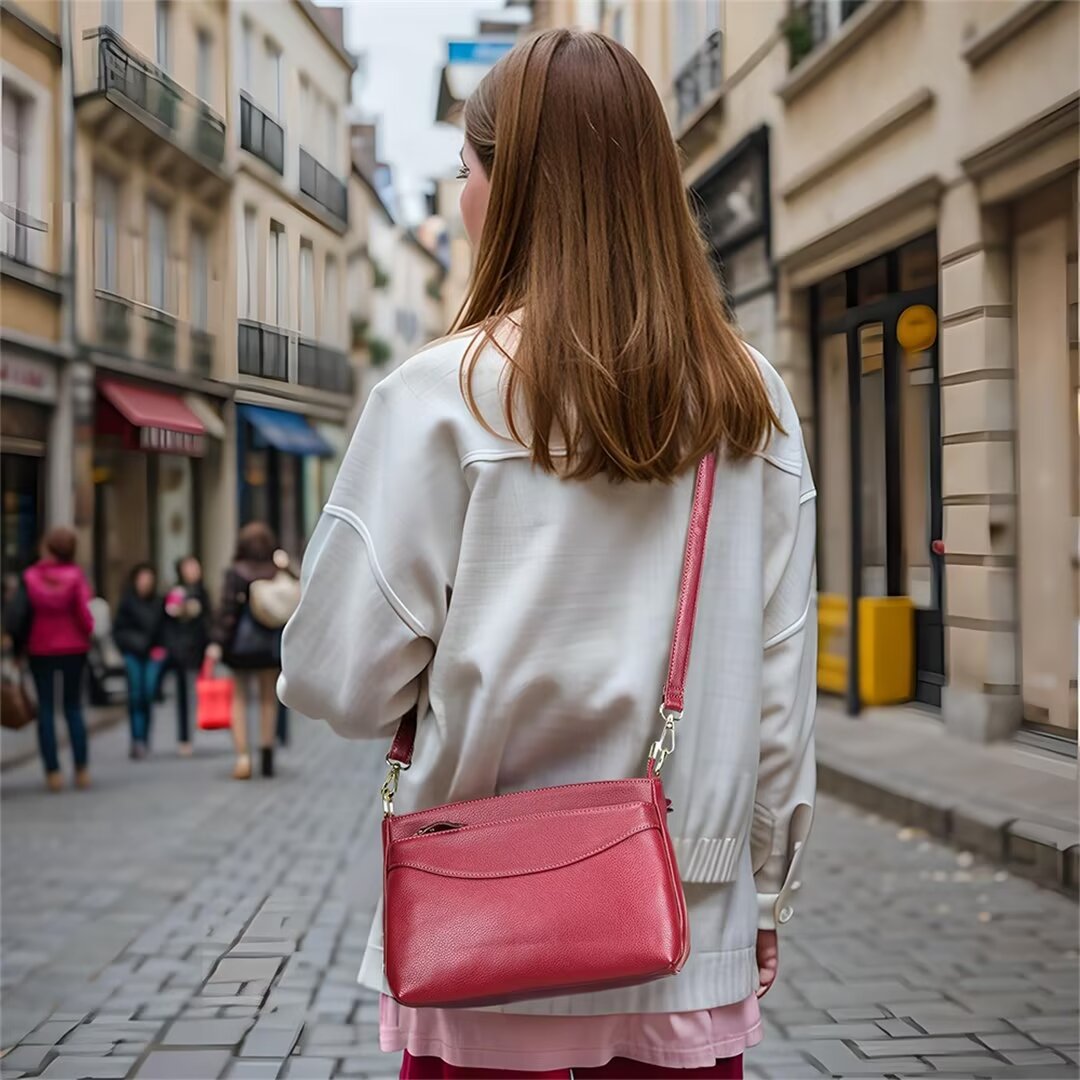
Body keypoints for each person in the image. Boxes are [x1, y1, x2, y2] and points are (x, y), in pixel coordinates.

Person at [280, 29, 815, 1080]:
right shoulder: (751, 402)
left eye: (468, 169)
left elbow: (337, 680)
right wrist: (764, 893)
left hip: (482, 926)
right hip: (685, 920)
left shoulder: (440, 397)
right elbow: (779, 693)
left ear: (510, 185)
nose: (465, 195)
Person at [15, 528, 94, 792]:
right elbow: (84, 614)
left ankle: (53, 773)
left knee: (46, 709)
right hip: (74, 647)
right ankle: (81, 769)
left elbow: (20, 616)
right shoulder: (75, 577)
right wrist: (88, 632)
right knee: (73, 706)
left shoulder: (31, 577)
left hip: (41, 648)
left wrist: (18, 649)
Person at [208, 523, 285, 781]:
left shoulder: (236, 573)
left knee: (239, 699)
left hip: (241, 648)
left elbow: (227, 612)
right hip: (270, 647)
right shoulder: (277, 571)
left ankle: (243, 757)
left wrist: (217, 642)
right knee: (267, 699)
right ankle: (267, 754)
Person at [113, 562, 166, 759]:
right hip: (133, 653)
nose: (145, 583)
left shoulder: (159, 602)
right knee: (136, 696)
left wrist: (161, 650)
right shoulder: (128, 603)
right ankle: (137, 740)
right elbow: (118, 630)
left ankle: (144, 737)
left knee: (148, 693)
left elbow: (164, 630)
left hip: (152, 654)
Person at [162, 555, 211, 756]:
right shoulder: (175, 592)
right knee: (182, 694)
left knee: (198, 692)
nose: (193, 570)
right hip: (180, 650)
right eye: (189, 567)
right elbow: (167, 619)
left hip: (198, 649)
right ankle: (184, 737)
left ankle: (198, 726)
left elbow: (209, 620)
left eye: (195, 566)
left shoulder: (202, 592)